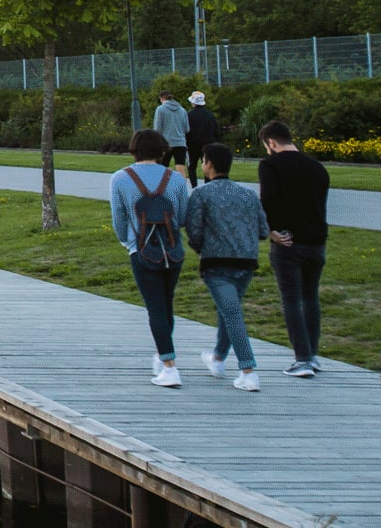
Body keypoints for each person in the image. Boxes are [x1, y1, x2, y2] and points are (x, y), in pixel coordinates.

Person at [109, 128, 191, 387]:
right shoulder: (176, 179)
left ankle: (169, 366)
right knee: (166, 305)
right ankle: (162, 353)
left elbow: (119, 218)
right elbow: (183, 216)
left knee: (154, 307)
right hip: (172, 250)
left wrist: (127, 241)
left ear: (134, 148)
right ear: (161, 149)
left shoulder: (120, 178)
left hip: (142, 250)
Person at [183, 143, 268, 392]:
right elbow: (263, 230)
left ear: (208, 164)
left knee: (232, 314)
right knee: (229, 310)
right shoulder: (249, 195)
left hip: (217, 264)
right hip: (246, 262)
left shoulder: (201, 194)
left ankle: (248, 369)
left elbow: (195, 230)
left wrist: (201, 247)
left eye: (203, 161)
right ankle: (218, 358)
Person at [257, 120, 330, 377]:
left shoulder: (270, 165)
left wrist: (272, 230)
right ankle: (313, 353)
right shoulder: (317, 168)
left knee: (291, 299)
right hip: (316, 241)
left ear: (272, 143)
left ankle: (302, 359)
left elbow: (268, 200)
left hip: (288, 241)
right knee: (311, 297)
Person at [152, 92, 191, 187]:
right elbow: (187, 129)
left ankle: (163, 189)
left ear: (161, 99)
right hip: (180, 143)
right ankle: (182, 190)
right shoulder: (182, 110)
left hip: (165, 143)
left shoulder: (160, 109)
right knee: (181, 168)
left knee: (162, 168)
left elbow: (157, 129)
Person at [184, 92, 218, 185]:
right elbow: (215, 130)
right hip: (207, 144)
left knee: (191, 167)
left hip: (192, 145)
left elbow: (186, 130)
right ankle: (207, 185)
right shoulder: (210, 115)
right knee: (207, 165)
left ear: (193, 102)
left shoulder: (189, 115)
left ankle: (194, 186)